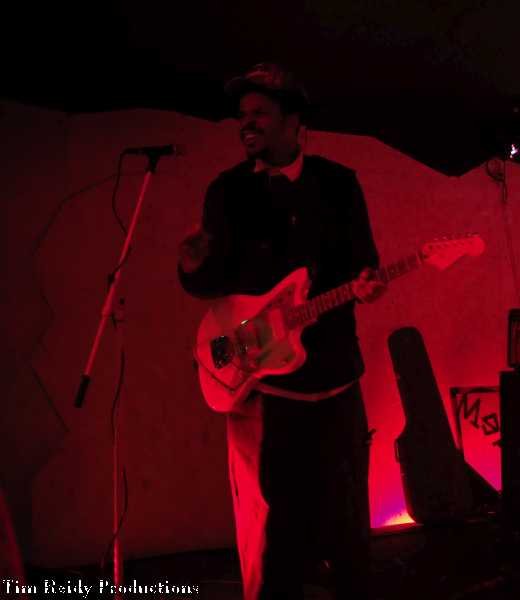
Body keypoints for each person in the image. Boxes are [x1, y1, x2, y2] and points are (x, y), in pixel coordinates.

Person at [178, 63, 385, 600]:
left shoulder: (338, 185)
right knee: (274, 531)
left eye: (260, 114)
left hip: (335, 377)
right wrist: (194, 267)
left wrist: (367, 283)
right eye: (242, 115)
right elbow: (214, 285)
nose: (246, 124)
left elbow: (365, 264)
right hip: (266, 388)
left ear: (294, 122)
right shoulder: (227, 191)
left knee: (348, 522)